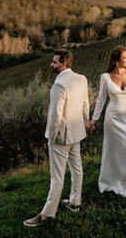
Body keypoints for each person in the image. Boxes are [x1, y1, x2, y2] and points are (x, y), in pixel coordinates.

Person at [24, 49, 89, 227]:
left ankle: (46, 214)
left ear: (64, 64)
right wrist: (86, 122)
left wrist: (50, 138)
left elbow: (55, 116)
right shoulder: (82, 79)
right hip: (77, 133)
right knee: (77, 169)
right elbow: (85, 104)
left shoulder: (59, 85)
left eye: (54, 62)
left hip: (60, 137)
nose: (51, 65)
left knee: (57, 177)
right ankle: (75, 202)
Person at [89, 45, 126, 196]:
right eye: (125, 57)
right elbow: (101, 100)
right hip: (112, 119)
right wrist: (94, 120)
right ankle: (112, 180)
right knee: (113, 151)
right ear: (116, 60)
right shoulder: (106, 77)